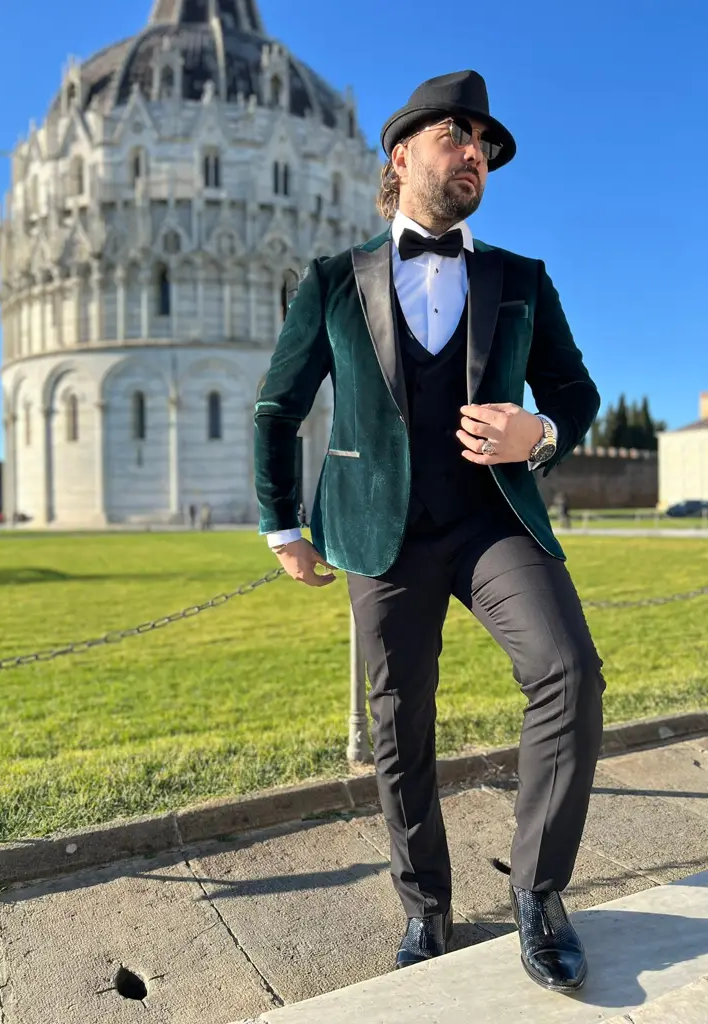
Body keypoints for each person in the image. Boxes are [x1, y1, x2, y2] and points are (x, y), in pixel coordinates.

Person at [254, 70, 604, 992]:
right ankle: (426, 906)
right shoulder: (332, 281)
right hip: (381, 534)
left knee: (569, 673)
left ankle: (538, 895)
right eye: (458, 135)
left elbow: (575, 394)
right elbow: (275, 407)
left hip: (496, 521)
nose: (476, 155)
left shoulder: (519, 278)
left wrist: (543, 433)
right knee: (400, 724)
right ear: (401, 154)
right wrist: (279, 525)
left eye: (485, 145)